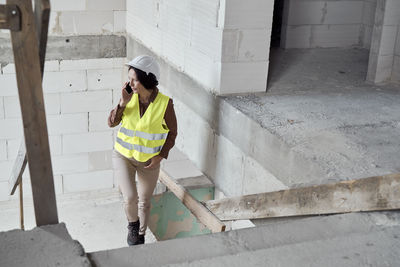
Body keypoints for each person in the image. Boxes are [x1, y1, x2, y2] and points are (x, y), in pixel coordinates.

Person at [108, 55, 177, 246]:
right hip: (123, 156)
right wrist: (122, 103)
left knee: (144, 202)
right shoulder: (128, 96)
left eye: (134, 80)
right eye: (129, 78)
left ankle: (140, 235)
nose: (130, 84)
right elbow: (111, 123)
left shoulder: (165, 104)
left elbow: (172, 133)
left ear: (147, 79)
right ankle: (132, 226)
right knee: (130, 197)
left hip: (148, 161)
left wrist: (161, 156)